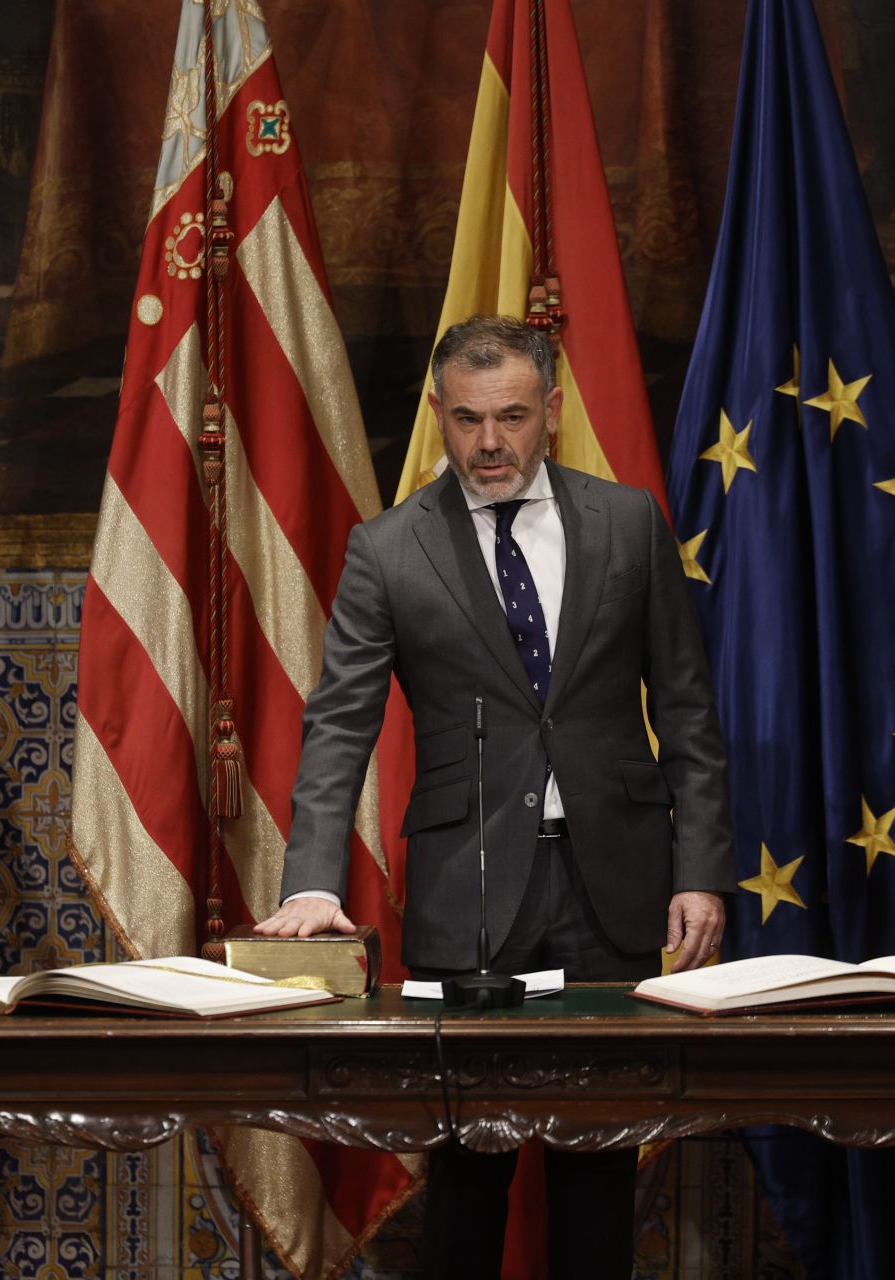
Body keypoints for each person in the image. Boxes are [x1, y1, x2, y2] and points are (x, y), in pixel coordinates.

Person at [253, 315, 733, 1278]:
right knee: (466, 1168)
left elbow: (686, 713)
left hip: (615, 888)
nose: (488, 443)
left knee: (597, 1169)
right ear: (438, 414)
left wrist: (701, 873)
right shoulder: (388, 551)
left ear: (551, 411)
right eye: (467, 420)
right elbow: (339, 724)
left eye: (511, 417)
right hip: (464, 889)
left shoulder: (629, 521)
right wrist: (311, 880)